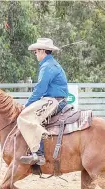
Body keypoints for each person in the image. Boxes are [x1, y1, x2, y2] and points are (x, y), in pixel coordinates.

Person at [17, 38, 69, 166]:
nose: (35, 54)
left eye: (36, 52)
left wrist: (26, 106)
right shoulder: (51, 64)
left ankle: (38, 154)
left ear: (41, 51)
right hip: (54, 99)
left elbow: (40, 89)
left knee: (25, 117)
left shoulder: (47, 66)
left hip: (53, 100)